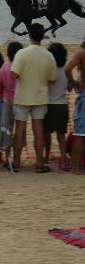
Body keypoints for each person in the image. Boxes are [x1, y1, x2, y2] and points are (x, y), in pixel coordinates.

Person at [10, 23, 56, 172]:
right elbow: (52, 78)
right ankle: (39, 163)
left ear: (29, 35)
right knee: (38, 130)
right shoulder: (48, 55)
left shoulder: (22, 53)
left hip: (23, 96)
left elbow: (14, 74)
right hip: (40, 96)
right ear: (42, 36)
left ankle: (16, 162)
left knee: (19, 131)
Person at [45, 42, 69, 170]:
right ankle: (64, 161)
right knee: (61, 135)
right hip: (62, 105)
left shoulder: (48, 70)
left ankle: (46, 156)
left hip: (48, 104)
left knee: (46, 134)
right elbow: (68, 87)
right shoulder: (66, 70)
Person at [64, 41, 85, 174]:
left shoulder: (82, 55)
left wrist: (72, 82)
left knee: (80, 134)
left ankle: (76, 168)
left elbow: (67, 68)